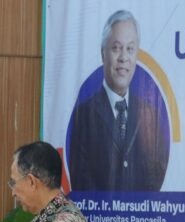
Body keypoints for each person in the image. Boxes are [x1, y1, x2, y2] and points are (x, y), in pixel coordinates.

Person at [68, 9, 169, 191]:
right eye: (116, 48)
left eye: (130, 49)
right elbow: (81, 182)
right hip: (100, 217)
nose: (123, 58)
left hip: (140, 218)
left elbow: (156, 176)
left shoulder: (150, 116)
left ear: (136, 55)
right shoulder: (83, 115)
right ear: (103, 54)